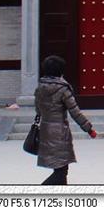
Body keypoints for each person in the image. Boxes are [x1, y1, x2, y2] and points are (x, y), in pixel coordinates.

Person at [34, 55, 96, 185]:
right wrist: (89, 129)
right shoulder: (62, 89)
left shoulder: (40, 88)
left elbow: (38, 110)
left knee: (61, 169)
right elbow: (75, 112)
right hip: (59, 132)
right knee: (61, 171)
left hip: (45, 130)